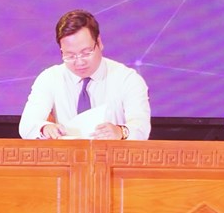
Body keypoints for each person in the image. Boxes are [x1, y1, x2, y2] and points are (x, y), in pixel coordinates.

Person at [18, 9, 152, 140]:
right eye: (70, 55)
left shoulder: (127, 79)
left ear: (99, 43)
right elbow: (27, 125)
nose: (79, 62)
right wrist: (44, 129)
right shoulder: (49, 78)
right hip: (67, 153)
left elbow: (141, 127)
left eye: (86, 53)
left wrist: (120, 131)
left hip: (114, 153)